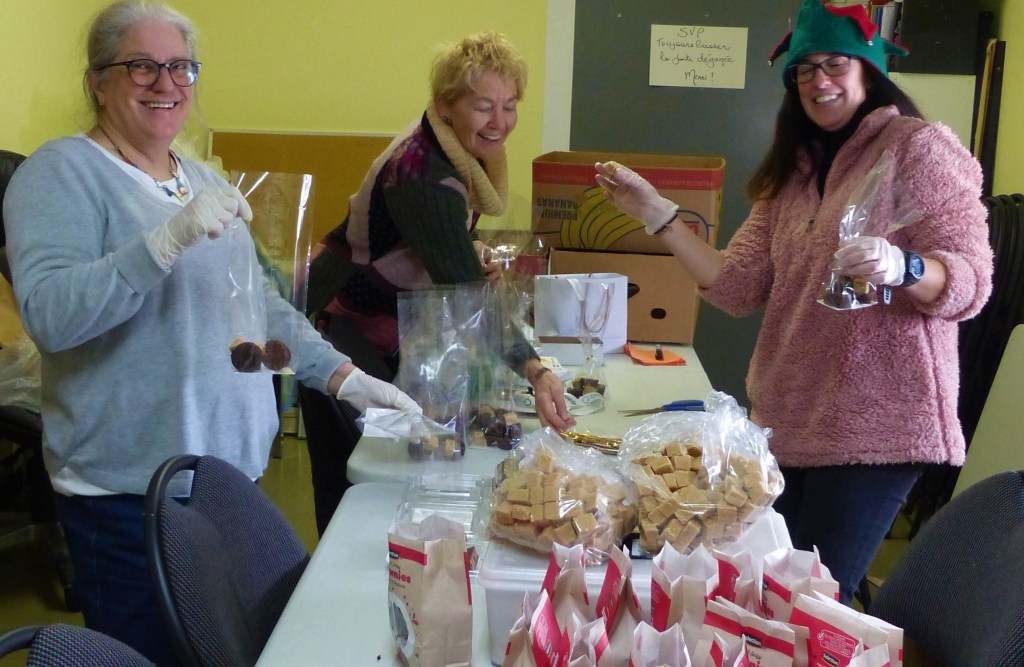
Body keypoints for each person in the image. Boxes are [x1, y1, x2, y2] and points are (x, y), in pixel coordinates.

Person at [2, 1, 416, 663]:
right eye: (142, 65)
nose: (166, 82)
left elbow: (261, 307)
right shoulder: (58, 174)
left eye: (181, 67)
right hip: (127, 495)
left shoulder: (203, 178)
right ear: (98, 82)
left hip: (227, 481)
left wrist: (344, 376)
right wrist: (164, 241)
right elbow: (53, 316)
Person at [595, 0, 992, 606]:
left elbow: (971, 280)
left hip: (876, 425)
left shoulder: (920, 150)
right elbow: (736, 286)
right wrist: (660, 215)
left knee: (812, 599)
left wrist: (903, 266)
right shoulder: (795, 171)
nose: (820, 81)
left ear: (868, 71)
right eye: (804, 70)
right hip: (788, 422)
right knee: (771, 590)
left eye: (835, 64)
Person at [299, 30, 575, 536]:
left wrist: (462, 251)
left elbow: (425, 242)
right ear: (447, 105)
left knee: (392, 471)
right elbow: (467, 295)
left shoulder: (449, 150)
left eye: (510, 106)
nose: (500, 122)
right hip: (342, 327)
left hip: (386, 325)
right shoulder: (421, 172)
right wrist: (535, 371)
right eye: (484, 106)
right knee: (359, 483)